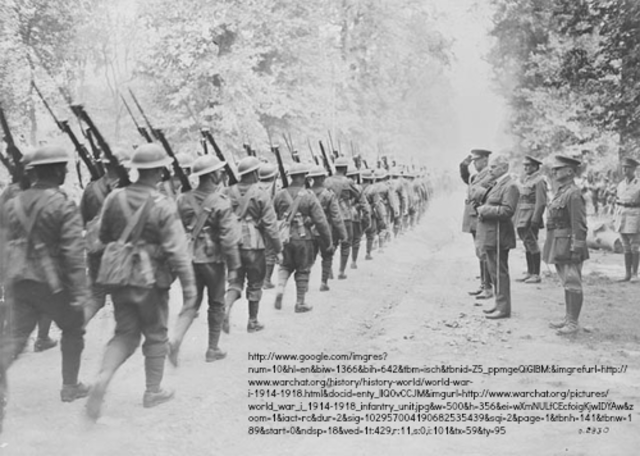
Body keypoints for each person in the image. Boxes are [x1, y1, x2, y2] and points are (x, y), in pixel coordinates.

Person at [86, 143, 197, 421]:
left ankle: (103, 377)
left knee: (125, 333)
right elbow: (177, 252)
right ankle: (153, 391)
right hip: (151, 280)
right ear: (159, 171)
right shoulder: (164, 205)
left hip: (118, 275)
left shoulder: (114, 197)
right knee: (156, 334)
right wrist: (189, 289)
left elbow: (103, 236)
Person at [1, 146, 90, 408]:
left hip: (18, 280)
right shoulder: (63, 204)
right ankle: (70, 386)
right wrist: (80, 290)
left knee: (14, 339)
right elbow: (73, 252)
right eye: (63, 167)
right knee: (73, 329)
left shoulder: (12, 204)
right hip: (53, 284)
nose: (65, 171)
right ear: (55, 171)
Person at [171, 155, 241, 363]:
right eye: (218, 171)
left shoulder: (182, 199)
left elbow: (175, 228)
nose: (221, 174)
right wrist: (234, 266)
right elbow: (228, 238)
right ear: (212, 175)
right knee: (217, 303)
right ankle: (212, 349)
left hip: (189, 257)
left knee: (191, 303)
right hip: (212, 260)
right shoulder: (221, 202)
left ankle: (175, 339)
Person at [223, 156, 282, 333]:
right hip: (254, 244)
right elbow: (271, 225)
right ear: (255, 173)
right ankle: (253, 321)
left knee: (235, 282)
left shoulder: (227, 192)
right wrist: (278, 249)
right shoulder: (260, 194)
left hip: (232, 243)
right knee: (255, 283)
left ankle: (226, 308)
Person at [80, 148, 132, 321]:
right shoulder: (131, 191)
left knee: (96, 297)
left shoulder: (90, 189)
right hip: (121, 253)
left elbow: (83, 221)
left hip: (96, 251)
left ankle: (74, 329)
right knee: (124, 298)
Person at [273, 163, 332, 312]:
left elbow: (272, 217)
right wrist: (328, 241)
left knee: (285, 266)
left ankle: (280, 288)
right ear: (303, 177)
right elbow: (321, 221)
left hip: (284, 237)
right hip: (303, 237)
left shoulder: (279, 195)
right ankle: (300, 303)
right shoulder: (308, 196)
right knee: (303, 269)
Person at [543, 155, 589, 335]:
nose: (554, 171)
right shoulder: (562, 191)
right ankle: (568, 317)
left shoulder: (573, 193)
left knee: (573, 283)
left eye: (558, 169)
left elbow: (579, 224)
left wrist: (576, 248)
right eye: (554, 169)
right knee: (567, 283)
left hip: (569, 245)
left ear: (569, 171)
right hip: (560, 242)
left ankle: (572, 322)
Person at [476, 155, 520, 319]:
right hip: (491, 234)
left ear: (504, 168)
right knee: (494, 271)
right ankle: (499, 303)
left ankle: (504, 308)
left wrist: (484, 210)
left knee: (500, 272)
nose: (490, 169)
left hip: (499, 235)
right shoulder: (497, 184)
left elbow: (507, 211)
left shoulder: (510, 186)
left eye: (494, 167)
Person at [460, 149, 496, 300]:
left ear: (485, 160)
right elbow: (467, 179)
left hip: (481, 216)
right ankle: (484, 284)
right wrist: (463, 166)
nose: (474, 164)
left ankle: (488, 287)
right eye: (473, 161)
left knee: (484, 252)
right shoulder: (477, 176)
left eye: (477, 161)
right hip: (474, 216)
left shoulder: (490, 175)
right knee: (479, 252)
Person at [308, 165, 346, 291]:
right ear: (322, 178)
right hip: (324, 230)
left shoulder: (306, 193)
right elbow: (336, 217)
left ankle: (304, 282)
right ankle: (324, 282)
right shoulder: (329, 195)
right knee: (327, 256)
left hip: (308, 231)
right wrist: (343, 234)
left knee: (309, 259)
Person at [324, 157, 361, 279]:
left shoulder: (327, 181)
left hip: (331, 217)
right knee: (346, 244)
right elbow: (358, 195)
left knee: (333, 243)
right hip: (345, 216)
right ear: (345, 168)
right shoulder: (347, 182)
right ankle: (341, 271)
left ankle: (328, 269)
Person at [514, 155, 547, 284]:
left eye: (528, 165)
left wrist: (535, 219)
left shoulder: (539, 181)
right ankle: (529, 272)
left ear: (535, 167)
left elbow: (541, 202)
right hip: (522, 216)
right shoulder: (527, 180)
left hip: (531, 217)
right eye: (524, 165)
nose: (525, 168)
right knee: (527, 244)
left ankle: (536, 274)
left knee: (532, 244)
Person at [614, 157, 640, 282]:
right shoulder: (621, 184)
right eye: (624, 167)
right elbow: (617, 201)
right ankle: (627, 274)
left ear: (634, 169)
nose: (625, 170)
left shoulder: (639, 184)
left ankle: (635, 274)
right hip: (622, 216)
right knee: (625, 246)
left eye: (628, 168)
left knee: (635, 245)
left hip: (634, 215)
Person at [258, 163, 279, 289]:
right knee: (270, 252)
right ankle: (266, 280)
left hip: (255, 222)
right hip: (269, 221)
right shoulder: (275, 187)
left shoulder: (254, 187)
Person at [346, 166, 370, 270]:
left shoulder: (339, 186)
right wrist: (367, 218)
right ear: (355, 176)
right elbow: (364, 205)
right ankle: (353, 261)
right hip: (354, 216)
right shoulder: (358, 188)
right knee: (356, 240)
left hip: (341, 216)